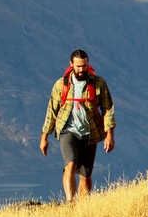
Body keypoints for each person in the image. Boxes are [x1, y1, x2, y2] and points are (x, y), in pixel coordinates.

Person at [39, 49, 115, 201]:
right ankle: (70, 202)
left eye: (85, 66)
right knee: (71, 164)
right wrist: (44, 137)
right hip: (68, 131)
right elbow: (51, 111)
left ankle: (82, 208)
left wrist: (109, 135)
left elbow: (108, 109)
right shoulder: (61, 85)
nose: (82, 70)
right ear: (71, 64)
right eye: (79, 66)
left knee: (85, 176)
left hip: (90, 133)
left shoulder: (98, 83)